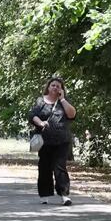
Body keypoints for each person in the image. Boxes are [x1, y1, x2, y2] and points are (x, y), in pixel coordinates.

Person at [29, 77, 76, 206]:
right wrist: (41, 123)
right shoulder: (40, 101)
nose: (55, 88)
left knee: (60, 167)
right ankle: (44, 195)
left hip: (62, 140)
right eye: (53, 85)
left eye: (58, 86)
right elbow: (32, 115)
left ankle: (64, 195)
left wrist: (62, 99)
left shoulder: (64, 101)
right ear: (48, 87)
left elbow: (72, 115)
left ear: (61, 89)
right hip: (45, 141)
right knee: (44, 167)